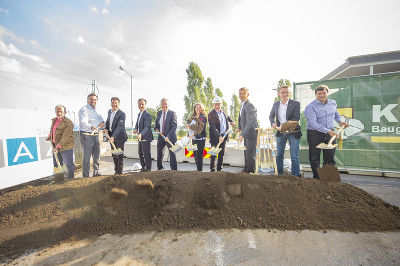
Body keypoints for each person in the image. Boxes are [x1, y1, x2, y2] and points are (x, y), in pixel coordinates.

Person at [304, 85, 349, 179]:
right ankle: (317, 179)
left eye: (324, 93)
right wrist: (328, 131)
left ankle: (327, 180)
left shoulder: (333, 103)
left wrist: (340, 121)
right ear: (315, 95)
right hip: (314, 134)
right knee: (314, 158)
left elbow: (335, 114)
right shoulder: (310, 107)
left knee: (329, 157)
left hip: (330, 134)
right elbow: (312, 123)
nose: (321, 95)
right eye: (319, 93)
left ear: (327, 93)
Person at [269, 85, 302, 177]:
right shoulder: (275, 104)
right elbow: (271, 116)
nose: (285, 94)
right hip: (281, 133)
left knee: (294, 156)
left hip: (293, 132)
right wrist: (273, 123)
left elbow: (296, 119)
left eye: (287, 92)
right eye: (282, 92)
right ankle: (280, 175)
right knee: (279, 155)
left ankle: (295, 176)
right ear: (279, 94)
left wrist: (283, 126)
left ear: (289, 93)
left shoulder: (295, 104)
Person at [78, 93, 105, 177]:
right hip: (86, 135)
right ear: (87, 100)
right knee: (87, 157)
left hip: (96, 135)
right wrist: (91, 127)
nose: (93, 101)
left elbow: (102, 120)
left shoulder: (98, 110)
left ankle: (96, 173)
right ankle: (86, 176)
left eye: (95, 99)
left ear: (96, 101)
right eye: (91, 99)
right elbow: (83, 122)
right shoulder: (83, 110)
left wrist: (102, 123)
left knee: (96, 156)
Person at [47, 105, 75, 180]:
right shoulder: (54, 120)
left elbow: (66, 136)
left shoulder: (68, 122)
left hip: (66, 146)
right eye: (57, 111)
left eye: (61, 111)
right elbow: (53, 130)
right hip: (55, 146)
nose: (59, 113)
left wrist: (58, 146)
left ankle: (70, 181)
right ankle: (59, 181)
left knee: (69, 166)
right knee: (57, 165)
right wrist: (50, 136)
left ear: (65, 112)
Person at [208, 96, 235, 172]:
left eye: (218, 104)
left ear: (221, 104)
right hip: (215, 136)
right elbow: (213, 127)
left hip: (224, 136)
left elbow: (228, 117)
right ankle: (212, 170)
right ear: (213, 104)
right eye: (215, 104)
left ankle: (219, 170)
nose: (217, 106)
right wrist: (219, 136)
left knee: (221, 154)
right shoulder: (211, 114)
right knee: (213, 154)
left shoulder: (223, 111)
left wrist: (231, 121)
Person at [237, 87, 259, 173]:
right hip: (246, 133)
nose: (241, 96)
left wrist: (242, 134)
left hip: (251, 133)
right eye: (240, 94)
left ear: (248, 94)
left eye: (243, 94)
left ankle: (250, 172)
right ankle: (246, 169)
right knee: (246, 152)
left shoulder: (249, 105)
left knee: (250, 154)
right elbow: (242, 119)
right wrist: (239, 128)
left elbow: (249, 122)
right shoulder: (242, 105)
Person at [104, 97, 128, 175]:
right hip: (111, 137)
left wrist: (113, 137)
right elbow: (108, 122)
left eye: (116, 103)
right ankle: (116, 171)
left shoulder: (122, 114)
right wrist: (105, 128)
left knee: (119, 155)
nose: (114, 104)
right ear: (111, 103)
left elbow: (120, 126)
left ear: (118, 104)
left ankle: (120, 173)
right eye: (113, 102)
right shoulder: (109, 112)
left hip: (119, 137)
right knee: (114, 154)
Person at [154, 98, 178, 170]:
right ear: (160, 105)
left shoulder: (172, 113)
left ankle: (174, 170)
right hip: (161, 136)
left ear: (168, 105)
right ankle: (160, 169)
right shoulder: (159, 113)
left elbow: (174, 126)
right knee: (159, 153)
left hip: (170, 137)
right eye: (162, 104)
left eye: (165, 104)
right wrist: (156, 128)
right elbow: (157, 123)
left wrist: (168, 136)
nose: (164, 105)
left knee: (172, 154)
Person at [133, 98, 153, 172]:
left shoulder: (147, 115)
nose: (141, 105)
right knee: (140, 153)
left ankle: (148, 169)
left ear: (145, 105)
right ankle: (143, 167)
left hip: (146, 137)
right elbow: (137, 123)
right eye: (139, 104)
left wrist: (141, 133)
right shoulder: (139, 114)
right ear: (138, 105)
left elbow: (147, 126)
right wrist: (136, 129)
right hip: (140, 137)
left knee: (146, 153)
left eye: (142, 104)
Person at [187, 103, 207, 171]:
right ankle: (198, 170)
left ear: (202, 109)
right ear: (194, 108)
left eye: (200, 107)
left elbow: (201, 128)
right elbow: (188, 120)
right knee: (195, 155)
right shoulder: (193, 116)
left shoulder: (203, 117)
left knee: (199, 156)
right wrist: (188, 124)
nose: (198, 109)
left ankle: (199, 171)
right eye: (196, 107)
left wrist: (194, 134)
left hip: (200, 139)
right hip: (193, 139)